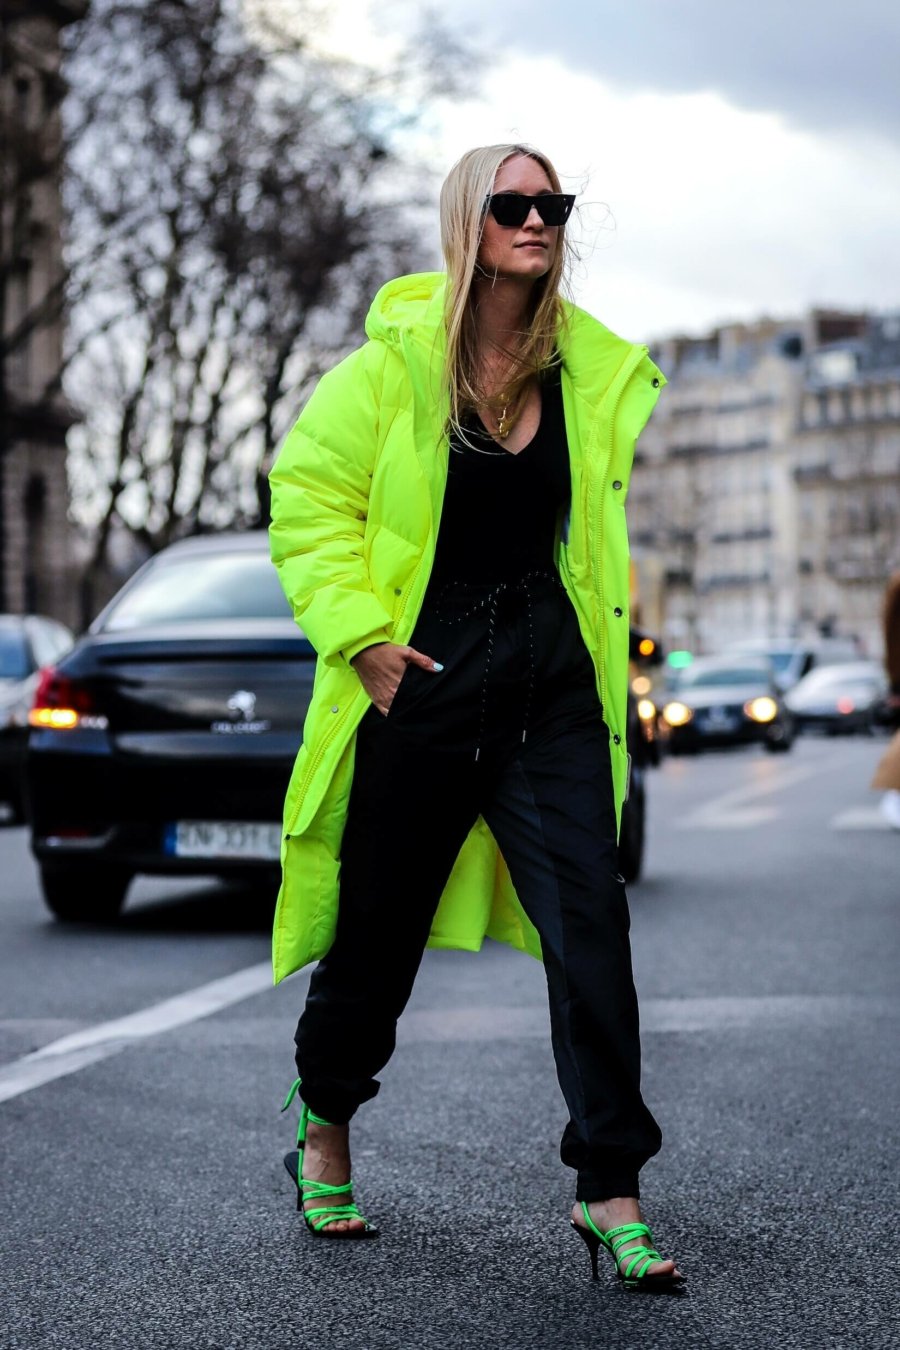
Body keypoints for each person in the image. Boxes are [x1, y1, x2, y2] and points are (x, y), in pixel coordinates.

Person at [268, 143, 684, 1291]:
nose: (538, 221)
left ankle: (610, 1186)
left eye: (553, 205)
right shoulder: (393, 370)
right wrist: (361, 639)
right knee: (376, 943)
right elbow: (307, 499)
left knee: (592, 931)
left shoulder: (582, 374)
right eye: (514, 204)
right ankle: (327, 1117)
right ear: (470, 221)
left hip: (550, 688)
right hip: (427, 683)